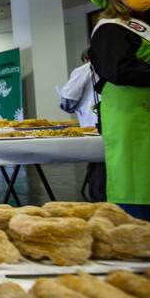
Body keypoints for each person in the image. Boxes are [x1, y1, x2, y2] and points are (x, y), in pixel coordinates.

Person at [87, 0, 150, 222]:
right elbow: (119, 70)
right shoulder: (111, 30)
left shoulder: (144, 26)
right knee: (138, 186)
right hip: (132, 119)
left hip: (146, 113)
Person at [59, 48, 105, 201]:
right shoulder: (111, 67)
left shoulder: (84, 70)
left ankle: (100, 205)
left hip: (93, 125)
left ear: (86, 59)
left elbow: (68, 101)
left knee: (99, 166)